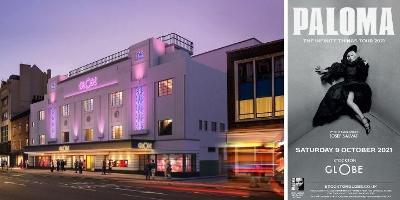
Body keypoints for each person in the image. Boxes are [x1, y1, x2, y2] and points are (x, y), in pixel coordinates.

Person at [314, 45, 372, 134]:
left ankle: (364, 121)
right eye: (348, 56)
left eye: (351, 55)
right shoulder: (345, 66)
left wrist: (365, 65)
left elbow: (363, 76)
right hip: (346, 84)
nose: (349, 57)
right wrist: (323, 70)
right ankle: (365, 121)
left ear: (356, 56)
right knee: (333, 94)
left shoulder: (360, 64)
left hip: (357, 85)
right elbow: (334, 70)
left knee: (349, 102)